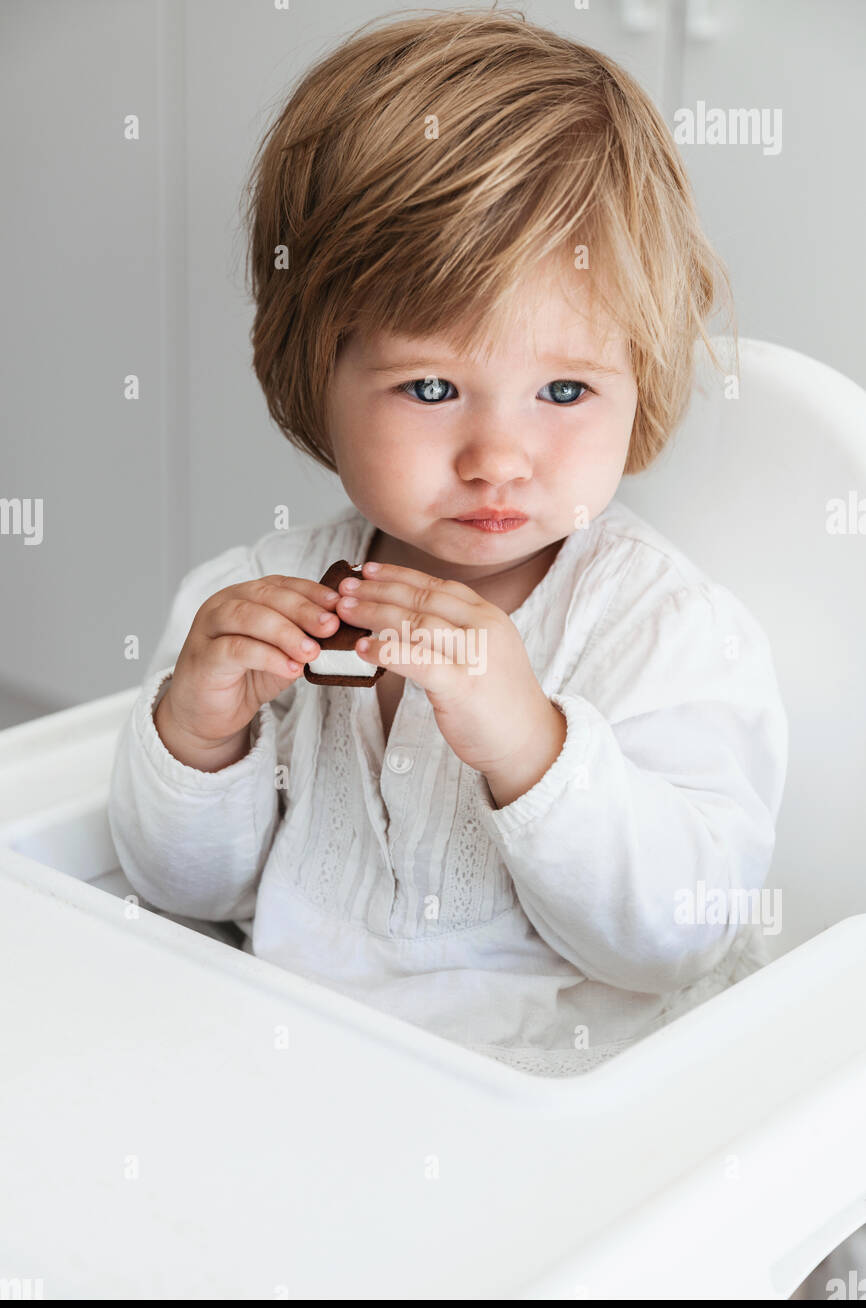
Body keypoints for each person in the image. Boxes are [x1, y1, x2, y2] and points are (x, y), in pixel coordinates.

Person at [108, 9, 788, 1080]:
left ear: (638, 376)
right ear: (312, 372)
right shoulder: (255, 596)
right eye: (430, 387)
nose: (498, 456)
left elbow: (677, 936)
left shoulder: (665, 634)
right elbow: (187, 895)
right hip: (289, 1074)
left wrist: (532, 746)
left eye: (562, 389)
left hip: (553, 1130)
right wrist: (196, 741)